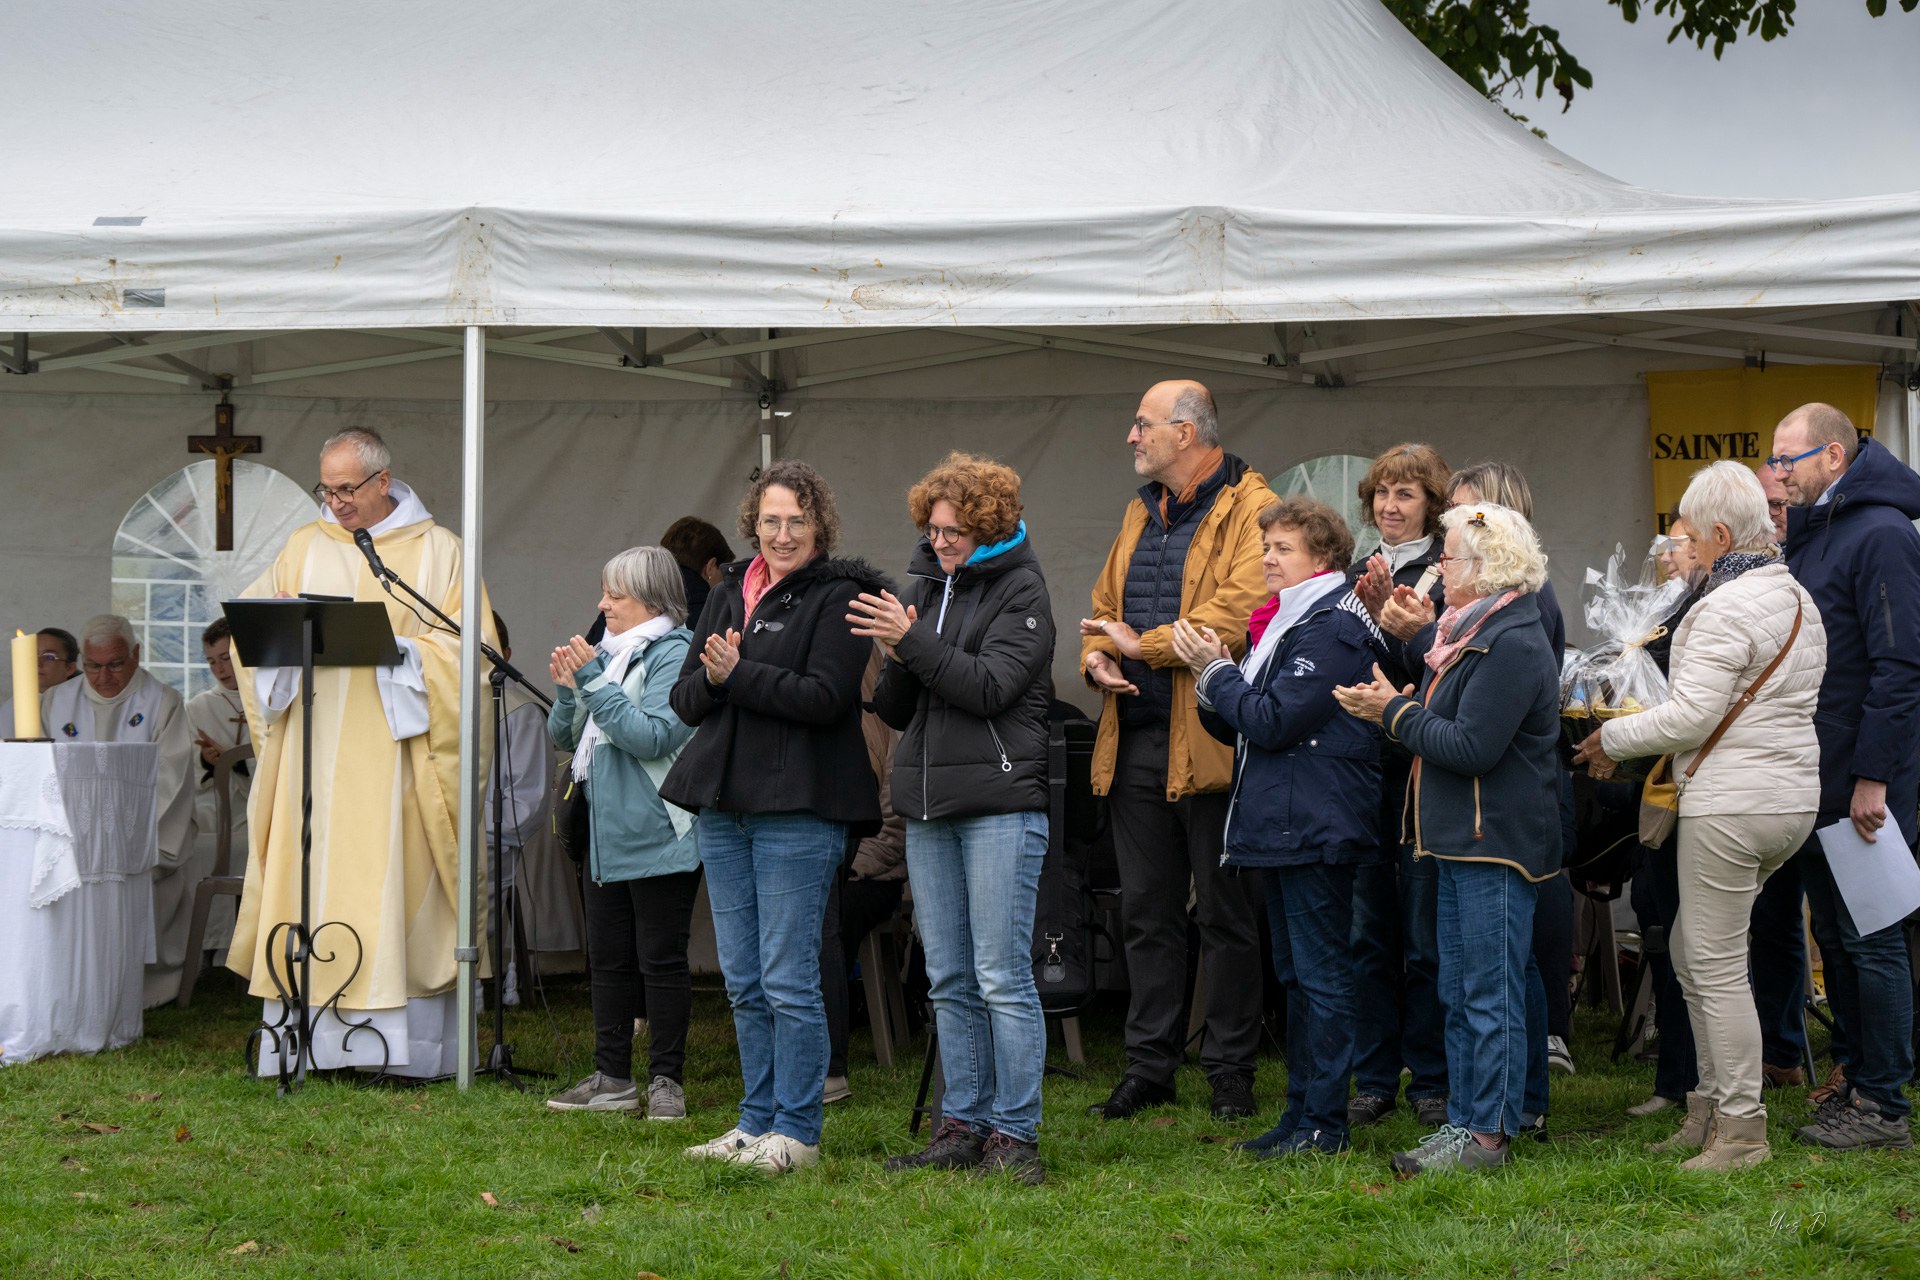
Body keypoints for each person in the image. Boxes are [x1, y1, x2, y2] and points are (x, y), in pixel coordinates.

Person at [1576, 461, 1825, 1170]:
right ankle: (1707, 1111)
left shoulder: (1721, 606)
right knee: (1693, 951)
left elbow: (1690, 716)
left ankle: (1741, 1131)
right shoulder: (1798, 598)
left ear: (1720, 534)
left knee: (1712, 967)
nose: (1685, 543)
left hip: (1731, 803)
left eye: (1693, 533)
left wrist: (1608, 738)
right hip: (1786, 801)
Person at [228, 427, 496, 1078]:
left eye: (347, 488)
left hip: (396, 760)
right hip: (310, 756)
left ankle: (406, 1054)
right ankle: (309, 1045)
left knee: (395, 883)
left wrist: (405, 652)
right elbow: (253, 638)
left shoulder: (441, 553)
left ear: (382, 481)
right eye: (327, 488)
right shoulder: (301, 546)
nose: (336, 502)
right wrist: (274, 639)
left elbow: (473, 656)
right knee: (311, 879)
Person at [661, 460, 884, 1174]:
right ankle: (754, 1122)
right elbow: (684, 699)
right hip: (726, 807)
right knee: (745, 978)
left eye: (797, 521)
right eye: (771, 521)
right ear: (751, 523)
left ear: (819, 526)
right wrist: (719, 678)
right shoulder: (728, 593)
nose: (782, 534)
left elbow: (826, 697)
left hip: (799, 807)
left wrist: (737, 675)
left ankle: (799, 1132)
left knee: (789, 978)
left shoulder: (842, 595)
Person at [1334, 503, 1561, 1175]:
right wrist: (1396, 708)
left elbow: (1470, 747)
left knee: (1485, 993)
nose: (1439, 565)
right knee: (1465, 991)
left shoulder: (1511, 641)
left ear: (1489, 567)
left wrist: (1393, 710)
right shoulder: (1469, 634)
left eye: (1451, 556)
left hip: (1494, 841)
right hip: (1466, 837)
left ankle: (1485, 1138)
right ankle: (1467, 1124)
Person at [853, 451, 1056, 1184]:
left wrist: (913, 642)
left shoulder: (1023, 591)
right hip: (930, 807)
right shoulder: (926, 590)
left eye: (954, 530)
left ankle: (1015, 1136)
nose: (939, 541)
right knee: (949, 977)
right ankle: (961, 1125)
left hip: (999, 806)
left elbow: (990, 686)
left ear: (990, 526)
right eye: (932, 528)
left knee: (1001, 974)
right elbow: (896, 711)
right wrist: (894, 655)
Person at [1079, 379, 1270, 1122]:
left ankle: (1230, 1069)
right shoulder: (1138, 512)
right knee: (1146, 914)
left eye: (1143, 425)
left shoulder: (1253, 508)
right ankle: (1149, 1066)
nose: (1132, 437)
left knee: (1225, 914)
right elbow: (1101, 609)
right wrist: (1096, 658)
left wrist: (1140, 644)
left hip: (1213, 742)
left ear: (1186, 434)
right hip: (1135, 740)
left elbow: (1237, 615)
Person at [1170, 496, 1384, 1156]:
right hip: (1286, 820)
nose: (1267, 557)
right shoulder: (1288, 620)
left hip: (1315, 822)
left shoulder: (1331, 627)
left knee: (1321, 979)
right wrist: (1218, 682)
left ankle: (1326, 1123)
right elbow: (1244, 717)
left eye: (1282, 548)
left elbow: (1273, 720)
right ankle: (1301, 1116)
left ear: (1321, 558)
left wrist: (1214, 672)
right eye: (1266, 547)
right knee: (1294, 978)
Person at [1769, 402, 1920, 1150]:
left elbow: (1898, 668)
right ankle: (1857, 1084)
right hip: (1814, 776)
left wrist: (1873, 777)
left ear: (1833, 456)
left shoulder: (1883, 533)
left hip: (1860, 783)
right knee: (1835, 932)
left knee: (1872, 940)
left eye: (1786, 459)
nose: (1777, 473)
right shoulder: (1817, 532)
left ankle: (1886, 1106)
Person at [545, 548, 698, 1120]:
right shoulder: (609, 655)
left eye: (616, 595)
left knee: (661, 958)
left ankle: (666, 1083)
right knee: (608, 958)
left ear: (654, 602)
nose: (602, 603)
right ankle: (613, 1078)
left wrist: (590, 679)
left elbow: (654, 736)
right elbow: (566, 735)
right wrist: (567, 690)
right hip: (603, 830)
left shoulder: (676, 652)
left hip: (658, 828)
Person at [1341, 443, 1453, 1131]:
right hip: (1360, 775)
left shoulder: (1450, 573)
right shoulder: (1355, 573)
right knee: (1368, 935)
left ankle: (1431, 1077)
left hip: (1420, 772)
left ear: (1432, 505)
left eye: (1406, 493)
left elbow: (1441, 672)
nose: (1389, 505)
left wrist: (1398, 622)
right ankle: (1375, 1075)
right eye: (1382, 492)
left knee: (1423, 936)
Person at [44, 615, 197, 1008]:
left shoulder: (162, 702)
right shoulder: (56, 702)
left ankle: (143, 991)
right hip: (74, 839)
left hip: (141, 836)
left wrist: (139, 844)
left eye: (114, 664)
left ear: (136, 655)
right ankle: (72, 985)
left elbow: (173, 779)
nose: (103, 676)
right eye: (94, 666)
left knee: (142, 877)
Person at [1624, 518, 1711, 1120]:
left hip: (1697, 795)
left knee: (1696, 945)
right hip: (1657, 796)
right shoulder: (1666, 608)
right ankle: (1675, 1079)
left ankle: (1697, 1083)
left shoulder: (1712, 610)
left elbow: (1687, 711)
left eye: (1679, 542)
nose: (1669, 553)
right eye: (1668, 542)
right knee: (1659, 928)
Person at [820, 647, 909, 1107]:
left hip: (873, 874)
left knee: (830, 920)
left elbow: (894, 829)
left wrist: (849, 865)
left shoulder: (891, 726)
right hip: (836, 867)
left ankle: (832, 1059)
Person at [483, 611, 559, 1007]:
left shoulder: (520, 711)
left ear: (506, 656)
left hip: (486, 847)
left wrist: (469, 837)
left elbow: (525, 805)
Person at [183, 618, 252, 967]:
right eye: (211, 661)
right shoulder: (198, 707)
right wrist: (206, 760)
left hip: (257, 806)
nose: (219, 669)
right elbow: (185, 771)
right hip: (214, 805)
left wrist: (238, 762)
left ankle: (237, 948)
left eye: (226, 658)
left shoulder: (267, 700)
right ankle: (207, 947)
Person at [660, 516, 734, 629]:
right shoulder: (716, 616)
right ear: (710, 567)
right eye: (723, 574)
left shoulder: (641, 603)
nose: (724, 580)